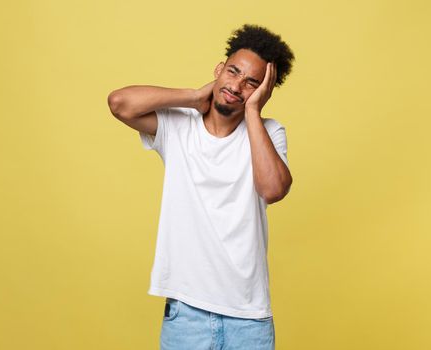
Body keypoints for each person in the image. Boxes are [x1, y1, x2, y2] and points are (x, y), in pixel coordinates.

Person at [107, 23, 294, 350]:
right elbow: (119, 102)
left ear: (265, 91)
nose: (237, 85)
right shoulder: (179, 125)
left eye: (252, 82)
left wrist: (252, 111)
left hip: (248, 317)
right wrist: (194, 97)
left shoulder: (269, 132)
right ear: (219, 69)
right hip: (186, 313)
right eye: (233, 72)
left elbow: (273, 189)